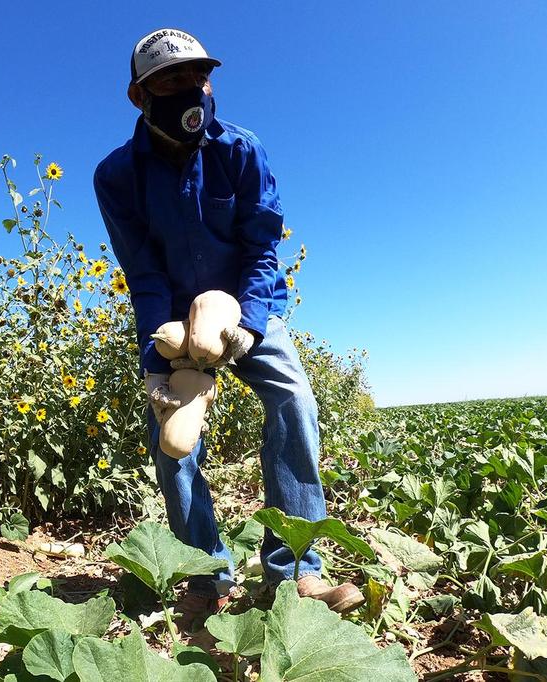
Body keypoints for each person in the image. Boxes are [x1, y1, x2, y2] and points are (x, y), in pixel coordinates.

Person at [93, 28, 364, 631]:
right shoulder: (116, 176)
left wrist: (249, 323)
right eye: (171, 81)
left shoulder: (240, 151)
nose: (190, 89)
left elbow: (262, 250)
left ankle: (293, 573)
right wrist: (156, 359)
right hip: (173, 315)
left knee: (293, 397)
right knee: (173, 436)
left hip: (241, 307)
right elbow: (143, 270)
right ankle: (205, 572)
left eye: (198, 76)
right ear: (139, 96)